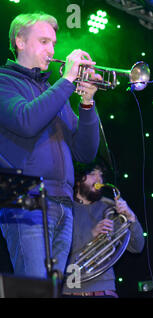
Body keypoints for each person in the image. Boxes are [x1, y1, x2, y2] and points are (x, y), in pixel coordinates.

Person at [0, 12, 101, 279]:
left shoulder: (53, 92)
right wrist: (67, 81)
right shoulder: (4, 81)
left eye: (53, 43)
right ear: (20, 42)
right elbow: (26, 121)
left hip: (63, 202)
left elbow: (85, 152)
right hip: (25, 197)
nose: (52, 50)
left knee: (52, 291)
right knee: (34, 288)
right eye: (44, 41)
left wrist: (87, 103)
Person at [62, 162, 144, 297]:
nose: (98, 179)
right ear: (78, 179)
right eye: (93, 174)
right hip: (72, 289)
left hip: (104, 290)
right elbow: (58, 248)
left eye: (101, 175)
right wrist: (92, 233)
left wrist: (131, 218)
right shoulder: (65, 208)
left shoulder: (110, 208)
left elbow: (137, 247)